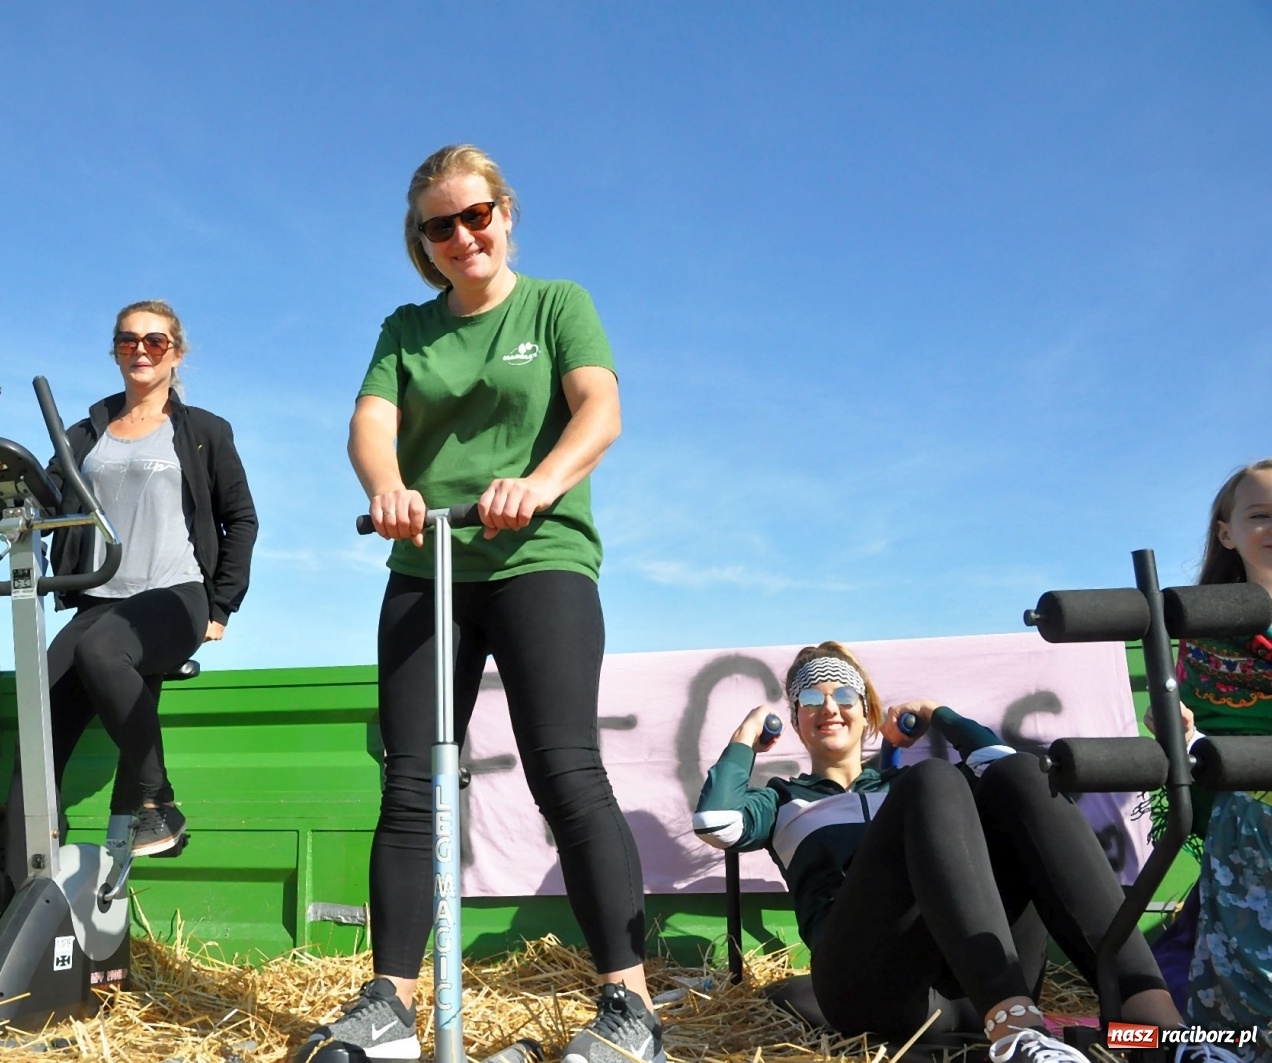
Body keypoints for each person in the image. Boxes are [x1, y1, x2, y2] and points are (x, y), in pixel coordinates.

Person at [305, 144, 656, 1063]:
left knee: (565, 770)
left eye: (477, 214)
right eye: (440, 226)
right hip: (430, 564)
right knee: (412, 781)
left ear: (505, 212)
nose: (464, 236)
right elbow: (371, 422)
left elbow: (599, 411)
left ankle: (629, 1006)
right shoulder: (406, 328)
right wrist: (388, 488)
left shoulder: (557, 304)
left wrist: (538, 482)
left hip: (537, 554)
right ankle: (390, 1000)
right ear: (421, 242)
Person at [692, 641, 1240, 1063]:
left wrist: (941, 715)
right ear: (794, 723)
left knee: (1018, 776)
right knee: (928, 781)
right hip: (871, 989)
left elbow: (1001, 763)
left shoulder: (916, 787)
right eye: (810, 698)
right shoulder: (782, 799)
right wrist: (744, 737)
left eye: (843, 696)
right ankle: (1015, 1031)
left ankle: (1162, 1032)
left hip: (973, 982)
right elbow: (716, 822)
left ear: (867, 713)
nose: (828, 707)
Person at [0, 299, 258, 949]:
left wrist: (223, 603)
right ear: (115, 349)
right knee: (38, 727)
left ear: (177, 351)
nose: (141, 349)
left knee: (107, 648)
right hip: (96, 596)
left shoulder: (202, 430)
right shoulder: (84, 433)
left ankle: (157, 803)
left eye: (156, 340)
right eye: (128, 340)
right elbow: (47, 499)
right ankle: (15, 908)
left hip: (174, 594)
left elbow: (239, 517)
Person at [1168, 460, 1272, 1050]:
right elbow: (1191, 729)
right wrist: (1174, 725)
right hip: (1251, 824)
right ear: (1227, 532)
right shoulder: (1202, 633)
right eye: (1260, 515)